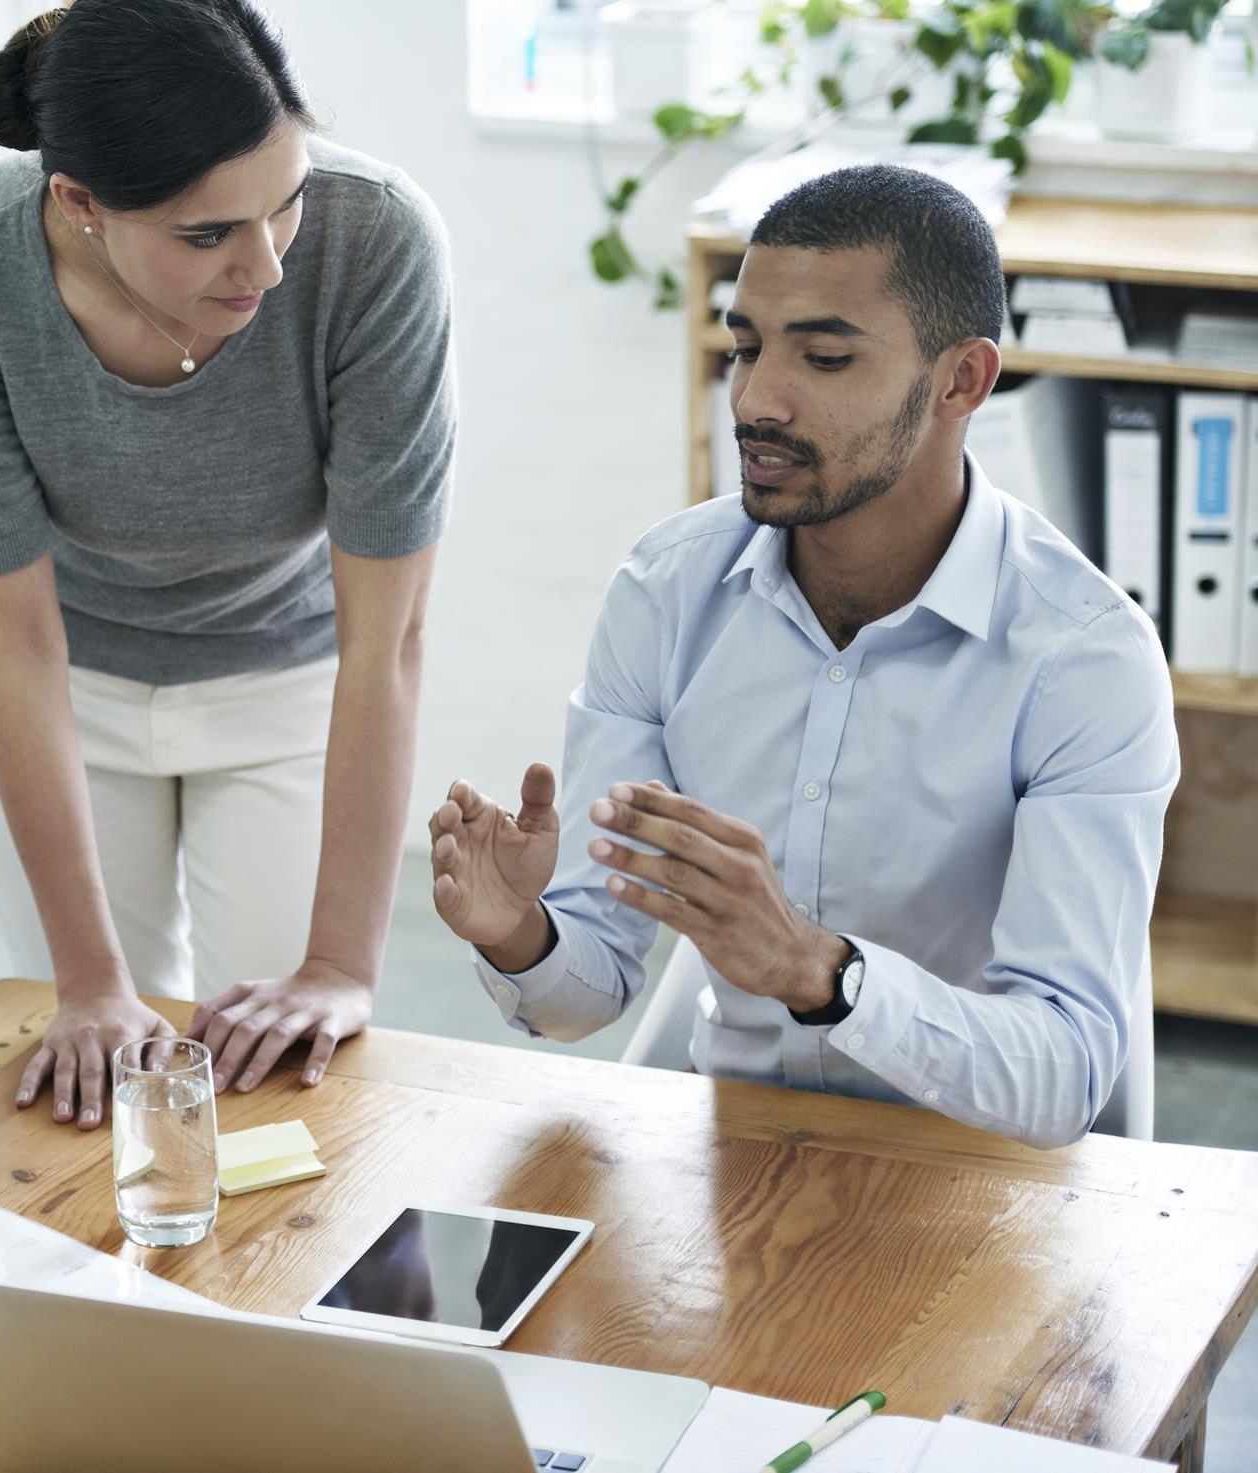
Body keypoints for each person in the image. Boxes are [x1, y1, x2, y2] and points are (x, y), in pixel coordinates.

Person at [428, 165, 1178, 1150]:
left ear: (962, 380)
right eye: (744, 348)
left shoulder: (1083, 662)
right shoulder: (664, 592)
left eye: (823, 358)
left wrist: (815, 971)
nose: (757, 400)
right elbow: (584, 993)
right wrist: (515, 932)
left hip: (980, 1176)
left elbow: (1064, 1071)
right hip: (735, 1148)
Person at [0, 0, 456, 1128]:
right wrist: (89, 985)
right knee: (108, 1076)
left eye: (282, 205)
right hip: (58, 676)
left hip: (286, 674)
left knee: (286, 1080)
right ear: (79, 205)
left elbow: (383, 640)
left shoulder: (376, 236)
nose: (263, 268)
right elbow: (13, 633)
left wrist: (341, 968)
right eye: (207, 237)